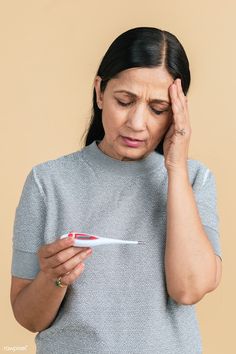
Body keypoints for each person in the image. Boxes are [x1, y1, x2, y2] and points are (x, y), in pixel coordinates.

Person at [10, 26, 222, 354]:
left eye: (157, 109)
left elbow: (189, 289)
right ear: (99, 92)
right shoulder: (47, 182)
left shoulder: (195, 179)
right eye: (124, 101)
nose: (137, 122)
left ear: (177, 111)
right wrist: (54, 277)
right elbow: (29, 318)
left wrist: (175, 168)